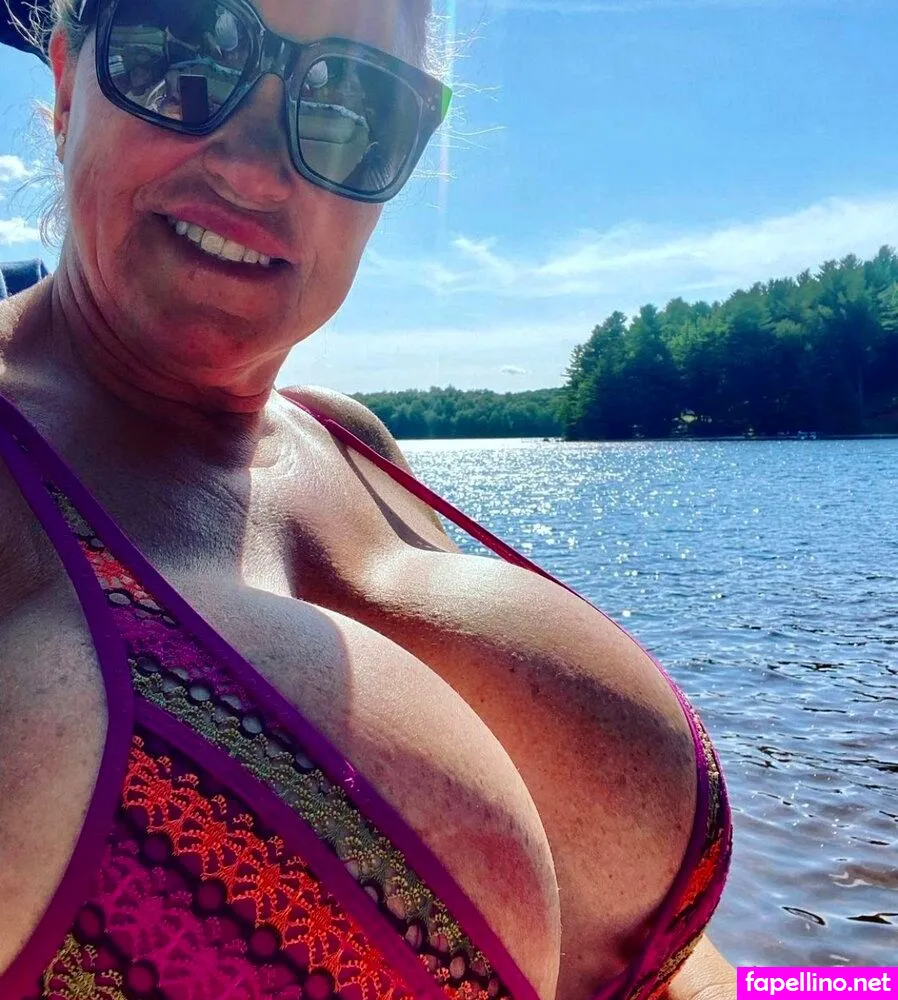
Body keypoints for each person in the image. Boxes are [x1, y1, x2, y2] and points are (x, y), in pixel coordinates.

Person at [0, 0, 735, 998]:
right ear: (63, 85)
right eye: (180, 53)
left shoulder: (357, 448)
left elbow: (688, 968)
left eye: (354, 105)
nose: (260, 169)